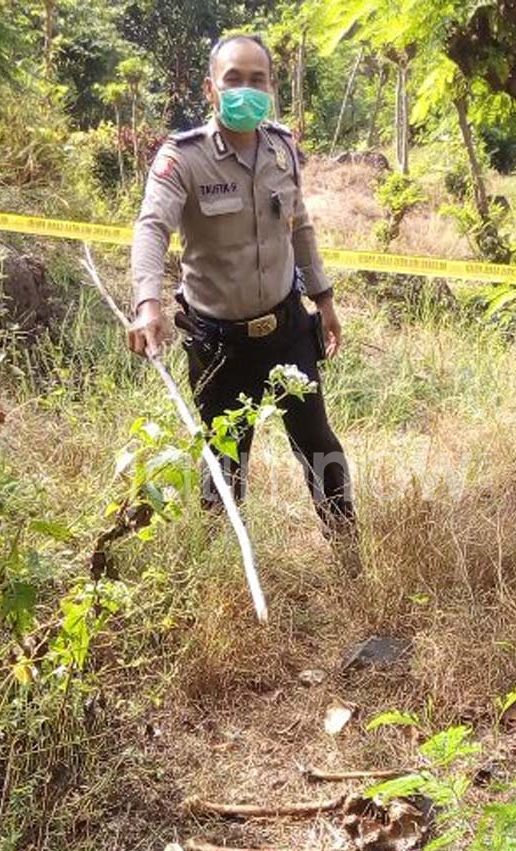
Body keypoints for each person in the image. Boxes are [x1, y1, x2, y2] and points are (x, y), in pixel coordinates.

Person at [129, 33, 358, 567]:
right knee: (224, 460)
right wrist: (149, 304)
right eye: (234, 79)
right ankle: (222, 569)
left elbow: (300, 229)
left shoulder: (281, 148)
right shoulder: (181, 159)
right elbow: (151, 229)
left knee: (318, 442)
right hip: (218, 344)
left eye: (258, 80)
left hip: (286, 330)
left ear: (272, 88)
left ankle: (348, 552)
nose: (246, 90)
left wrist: (323, 300)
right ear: (211, 88)